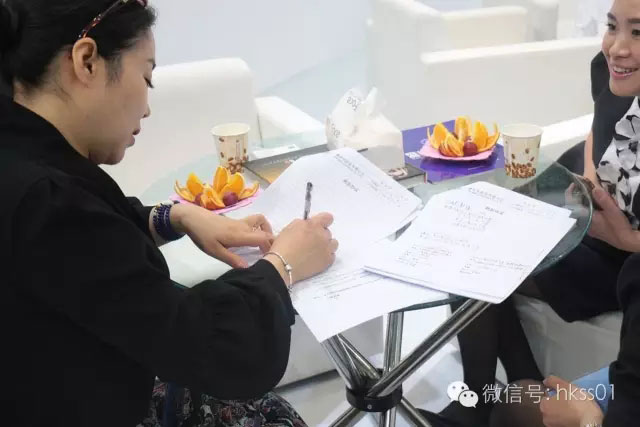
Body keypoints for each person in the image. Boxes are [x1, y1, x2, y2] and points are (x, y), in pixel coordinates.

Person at [0, 1, 338, 426]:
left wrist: (176, 217)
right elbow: (203, 341)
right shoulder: (47, 205)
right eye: (146, 77)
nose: (146, 108)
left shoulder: (22, 157)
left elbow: (93, 247)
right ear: (87, 61)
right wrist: (284, 263)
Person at [437, 0, 640, 426]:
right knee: (474, 244)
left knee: (483, 264)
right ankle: (499, 391)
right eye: (612, 26)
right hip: (594, 220)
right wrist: (590, 182)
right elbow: (598, 124)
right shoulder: (613, 70)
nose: (617, 47)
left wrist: (624, 238)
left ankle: (490, 402)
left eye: (637, 32)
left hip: (624, 259)